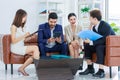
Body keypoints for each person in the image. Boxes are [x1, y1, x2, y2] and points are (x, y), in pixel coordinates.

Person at [79, 9, 115, 78]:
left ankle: (101, 71)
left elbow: (104, 40)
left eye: (90, 18)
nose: (89, 20)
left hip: (109, 46)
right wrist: (90, 27)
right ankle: (90, 68)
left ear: (95, 19)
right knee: (87, 45)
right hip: (100, 44)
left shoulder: (105, 25)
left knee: (99, 47)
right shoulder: (95, 27)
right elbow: (93, 37)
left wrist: (91, 42)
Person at [10, 9, 40, 76]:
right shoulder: (13, 27)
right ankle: (38, 71)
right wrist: (24, 35)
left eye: (25, 17)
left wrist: (30, 37)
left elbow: (24, 40)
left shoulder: (22, 27)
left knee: (36, 53)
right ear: (19, 17)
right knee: (35, 48)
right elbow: (13, 41)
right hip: (15, 47)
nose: (25, 19)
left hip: (21, 46)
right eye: (24, 17)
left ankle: (22, 68)